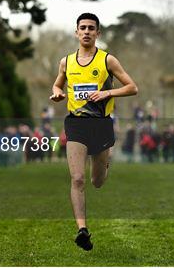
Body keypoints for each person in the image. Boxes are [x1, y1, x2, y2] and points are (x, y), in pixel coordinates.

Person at [49, 13, 138, 251]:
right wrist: (57, 92)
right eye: (82, 28)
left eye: (91, 28)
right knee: (77, 178)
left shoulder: (108, 60)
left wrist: (108, 93)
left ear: (98, 33)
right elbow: (58, 83)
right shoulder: (66, 62)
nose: (86, 31)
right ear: (76, 32)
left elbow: (132, 87)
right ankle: (82, 230)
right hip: (76, 123)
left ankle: (105, 164)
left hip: (101, 123)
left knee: (96, 181)